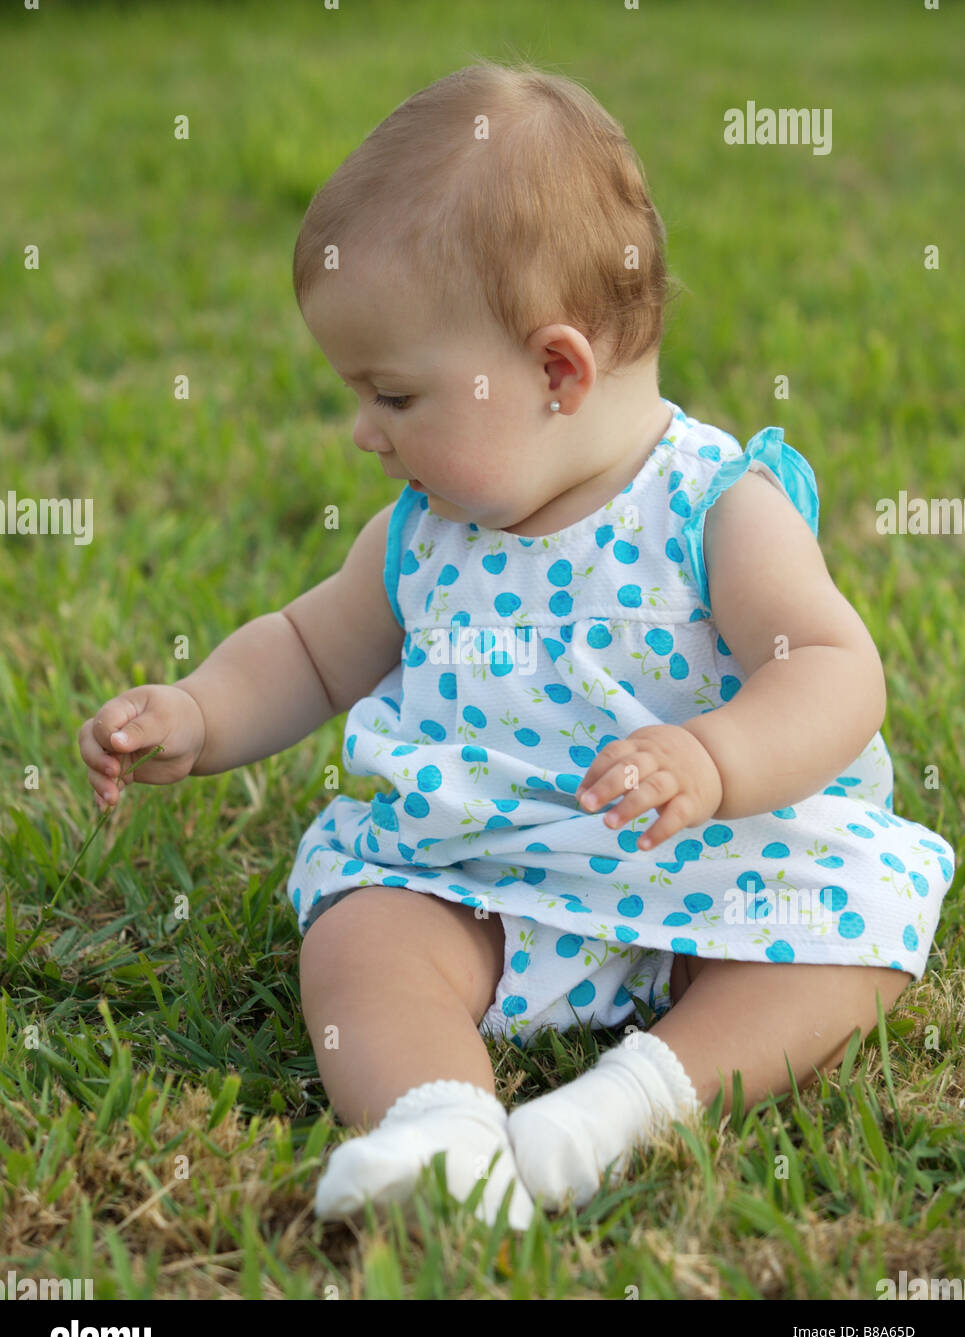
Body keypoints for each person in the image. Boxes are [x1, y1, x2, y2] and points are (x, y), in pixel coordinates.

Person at [78, 60, 956, 1233]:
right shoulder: (425, 533)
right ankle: (438, 1127)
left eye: (392, 398)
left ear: (555, 369)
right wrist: (198, 710)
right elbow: (306, 648)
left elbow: (834, 673)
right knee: (361, 934)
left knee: (850, 935)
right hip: (481, 874)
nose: (361, 435)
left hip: (713, 863)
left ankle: (617, 1110)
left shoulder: (713, 504)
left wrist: (712, 759)